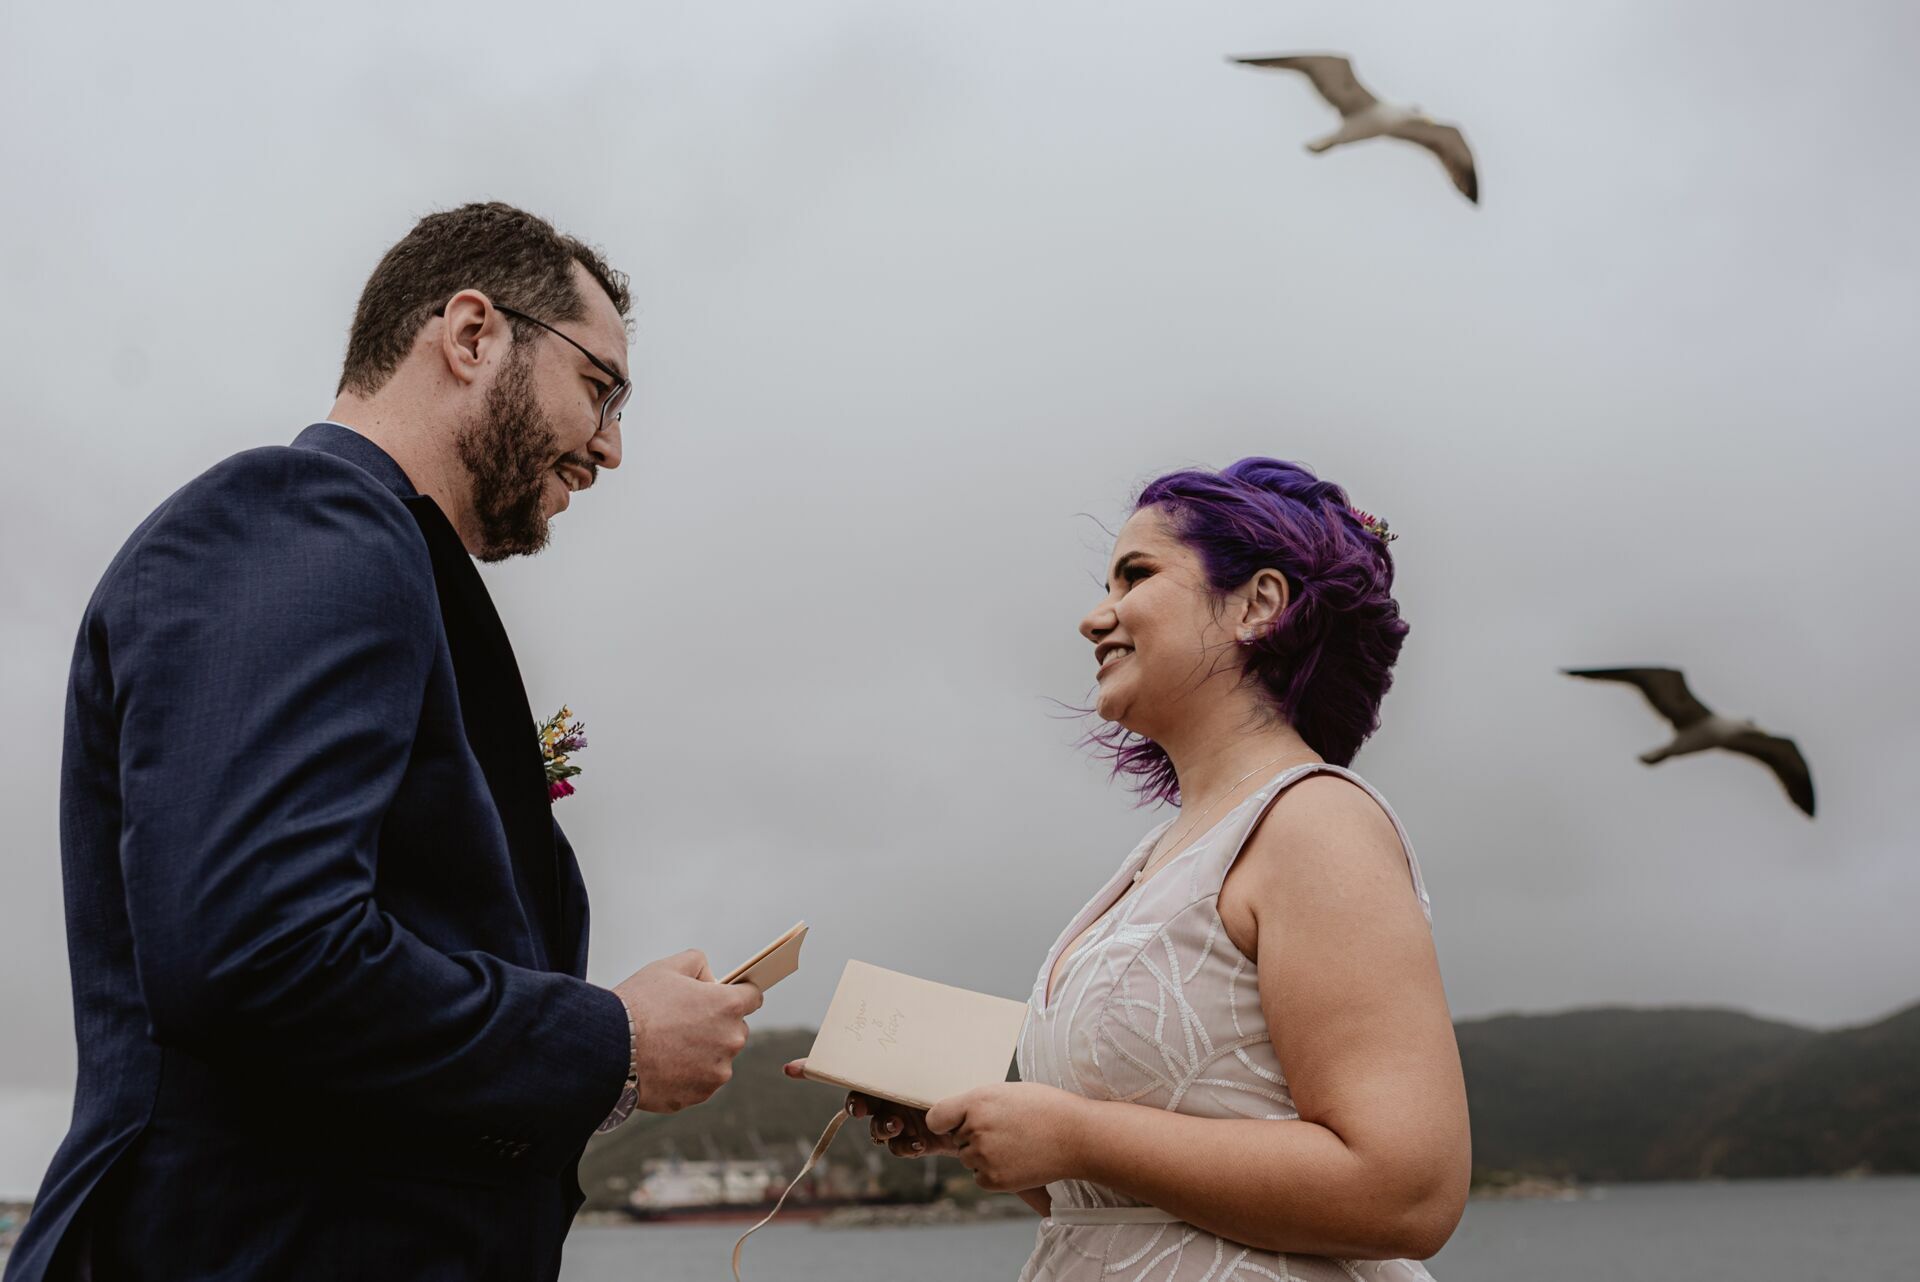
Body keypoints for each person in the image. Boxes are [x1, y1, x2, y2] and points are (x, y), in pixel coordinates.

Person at [6, 202, 762, 1282]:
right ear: (471, 334)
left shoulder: (379, 564)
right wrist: (613, 1040)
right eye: (601, 387)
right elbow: (264, 951)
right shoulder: (300, 514)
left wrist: (606, 1063)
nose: (612, 444)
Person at [791, 458, 1470, 1280]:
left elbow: (1407, 1192)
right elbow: (1119, 1202)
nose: (1093, 617)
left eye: (1134, 576)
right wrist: (988, 1123)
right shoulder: (1154, 860)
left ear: (1258, 604)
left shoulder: (1318, 823)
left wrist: (1077, 1133)